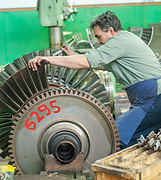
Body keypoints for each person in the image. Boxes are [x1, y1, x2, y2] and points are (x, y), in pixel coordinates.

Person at [28, 11, 161, 149]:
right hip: (151, 98)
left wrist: (48, 60)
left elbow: (86, 62)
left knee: (115, 139)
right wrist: (74, 56)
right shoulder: (125, 39)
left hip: (152, 98)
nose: (98, 42)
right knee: (136, 141)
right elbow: (103, 64)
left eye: (99, 37)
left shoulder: (119, 41)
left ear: (111, 30)